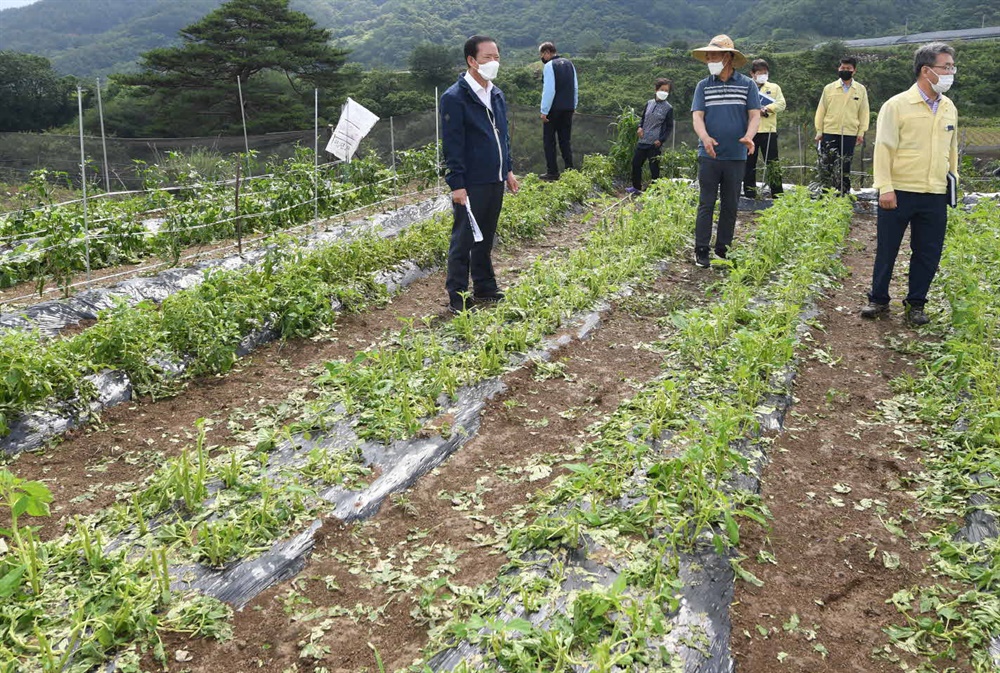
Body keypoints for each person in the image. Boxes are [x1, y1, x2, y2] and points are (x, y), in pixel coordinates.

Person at [860, 42, 958, 326]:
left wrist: (954, 182)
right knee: (888, 247)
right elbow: (884, 148)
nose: (951, 72)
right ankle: (878, 299)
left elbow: (951, 151)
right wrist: (885, 186)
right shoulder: (897, 105)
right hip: (900, 190)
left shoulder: (949, 107)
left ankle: (916, 303)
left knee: (928, 251)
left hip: (935, 192)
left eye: (952, 67)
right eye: (946, 67)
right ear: (926, 70)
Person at [440, 35, 520, 315]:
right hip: (471, 181)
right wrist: (457, 184)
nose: (494, 62)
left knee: (485, 236)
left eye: (497, 57)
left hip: (495, 177)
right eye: (488, 58)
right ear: (471, 61)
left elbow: (503, 136)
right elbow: (452, 144)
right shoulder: (455, 97)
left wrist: (507, 169)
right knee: (463, 239)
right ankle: (458, 296)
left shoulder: (496, 94)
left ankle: (485, 287)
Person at [690, 34, 761, 268]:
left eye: (714, 55)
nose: (710, 58)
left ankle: (723, 248)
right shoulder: (703, 86)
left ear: (728, 57)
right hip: (708, 154)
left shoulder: (747, 85)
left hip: (736, 155)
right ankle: (701, 249)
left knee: (730, 204)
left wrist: (749, 136)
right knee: (706, 203)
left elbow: (754, 115)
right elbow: (697, 117)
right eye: (708, 55)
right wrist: (705, 137)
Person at [814, 56, 870, 194]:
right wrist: (819, 130)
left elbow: (864, 112)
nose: (845, 70)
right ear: (838, 69)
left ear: (854, 71)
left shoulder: (860, 89)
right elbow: (821, 110)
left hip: (850, 133)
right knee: (827, 164)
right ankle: (826, 193)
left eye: (848, 69)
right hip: (830, 131)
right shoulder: (829, 88)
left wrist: (861, 132)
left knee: (845, 164)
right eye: (843, 68)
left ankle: (843, 194)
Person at [743, 59, 786, 199]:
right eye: (760, 73)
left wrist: (766, 108)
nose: (763, 75)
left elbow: (781, 104)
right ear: (752, 73)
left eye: (765, 73)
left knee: (773, 163)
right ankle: (750, 193)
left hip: (768, 131)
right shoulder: (745, 86)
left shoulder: (774, 87)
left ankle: (777, 193)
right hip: (750, 132)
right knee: (749, 164)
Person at [538, 42, 578, 180]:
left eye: (542, 54)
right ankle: (570, 170)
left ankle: (552, 172)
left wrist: (544, 111)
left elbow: (549, 90)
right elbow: (575, 87)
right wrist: (574, 106)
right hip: (568, 108)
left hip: (553, 109)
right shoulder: (569, 64)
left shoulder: (549, 66)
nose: (542, 57)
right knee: (565, 140)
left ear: (547, 52)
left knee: (549, 141)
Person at [628, 78, 674, 194]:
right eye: (662, 89)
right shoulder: (649, 103)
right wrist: (639, 127)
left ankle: (654, 191)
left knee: (654, 167)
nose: (664, 92)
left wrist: (661, 140)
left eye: (666, 90)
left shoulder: (668, 108)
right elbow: (643, 118)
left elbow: (669, 127)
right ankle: (636, 188)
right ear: (656, 89)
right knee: (636, 164)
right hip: (643, 140)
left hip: (654, 143)